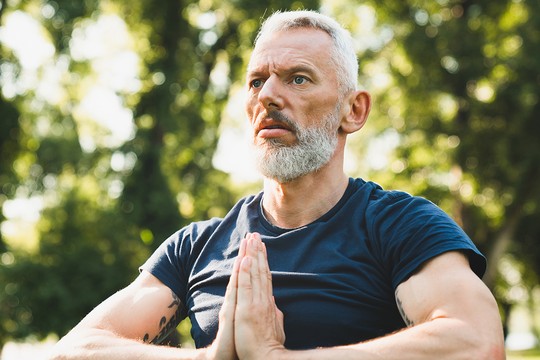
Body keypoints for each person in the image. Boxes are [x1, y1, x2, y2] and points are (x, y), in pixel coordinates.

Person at [49, 9, 505, 360]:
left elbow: (476, 341)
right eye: (256, 82)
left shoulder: (401, 226)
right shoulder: (196, 246)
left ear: (354, 111)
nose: (267, 95)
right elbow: (76, 349)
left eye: (298, 78)